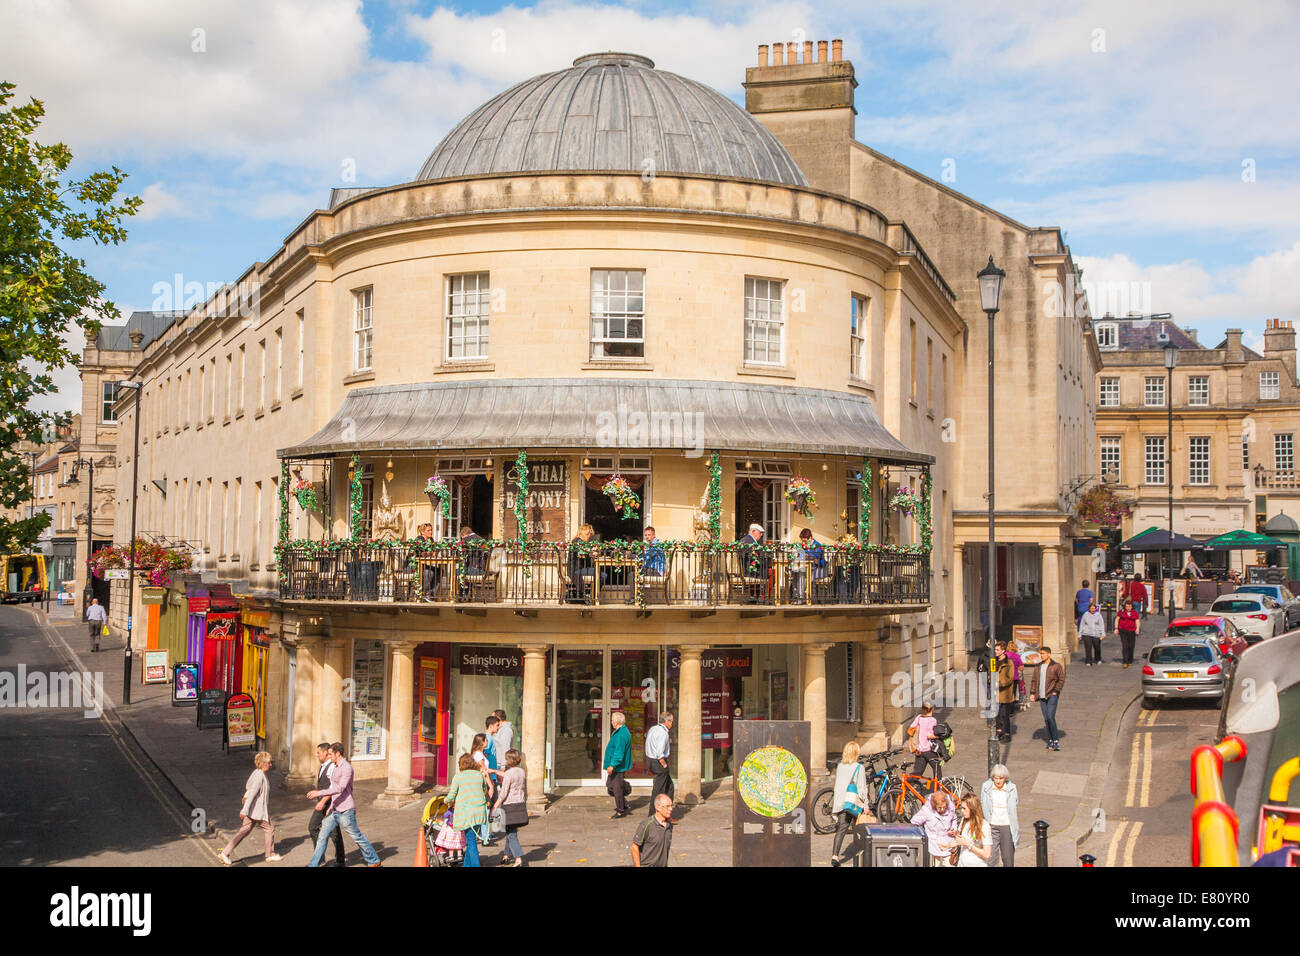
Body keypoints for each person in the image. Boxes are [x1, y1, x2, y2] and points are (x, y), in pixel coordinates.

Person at [307, 742, 381, 867]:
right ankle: (313, 865)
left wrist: (318, 793)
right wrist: (330, 806)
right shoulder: (335, 767)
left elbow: (340, 788)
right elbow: (333, 788)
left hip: (346, 811)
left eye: (331, 754)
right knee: (322, 836)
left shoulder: (347, 768)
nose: (329, 756)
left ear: (338, 753)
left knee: (357, 837)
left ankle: (374, 861)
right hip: (335, 810)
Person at [219, 751, 281, 865]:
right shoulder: (259, 776)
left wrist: (245, 799)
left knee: (244, 831)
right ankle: (270, 854)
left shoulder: (256, 772)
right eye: (269, 762)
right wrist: (244, 810)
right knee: (269, 829)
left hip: (252, 811)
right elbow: (252, 792)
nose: (270, 765)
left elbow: (248, 785)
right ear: (262, 764)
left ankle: (225, 853)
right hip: (257, 811)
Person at [829, 740, 875, 865]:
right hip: (854, 803)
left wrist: (837, 806)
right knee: (859, 829)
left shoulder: (840, 766)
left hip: (843, 803)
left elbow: (837, 786)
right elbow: (862, 788)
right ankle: (861, 856)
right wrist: (866, 805)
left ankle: (835, 856)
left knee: (841, 830)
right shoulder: (859, 767)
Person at [446, 753, 489, 868]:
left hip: (467, 813)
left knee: (471, 842)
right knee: (471, 840)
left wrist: (446, 801)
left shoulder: (458, 777)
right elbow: (484, 789)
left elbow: (452, 794)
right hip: (479, 812)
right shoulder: (479, 775)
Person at [307, 742, 345, 866]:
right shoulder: (324, 765)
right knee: (313, 827)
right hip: (322, 804)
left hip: (329, 805)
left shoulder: (332, 767)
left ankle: (340, 860)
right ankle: (319, 857)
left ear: (326, 753)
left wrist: (323, 801)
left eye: (319, 752)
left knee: (335, 834)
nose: (317, 755)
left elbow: (333, 787)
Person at [493, 748, 528, 867]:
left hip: (509, 806)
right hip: (520, 804)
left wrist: (495, 805)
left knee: (511, 834)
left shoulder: (508, 773)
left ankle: (518, 858)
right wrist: (495, 771)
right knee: (511, 831)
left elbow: (503, 793)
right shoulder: (522, 771)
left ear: (509, 760)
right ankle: (506, 855)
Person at [980, 765, 1020, 867]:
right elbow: (982, 803)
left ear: (1005, 778)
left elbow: (1015, 803)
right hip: (991, 825)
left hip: (1006, 825)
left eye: (1001, 778)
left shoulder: (1011, 788)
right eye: (996, 778)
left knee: (1007, 857)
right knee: (991, 857)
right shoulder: (986, 787)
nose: (998, 781)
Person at [1030, 646, 1065, 751]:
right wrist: (1032, 693)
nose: (1041, 655)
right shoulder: (1038, 666)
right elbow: (1034, 680)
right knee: (1046, 719)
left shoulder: (1056, 666)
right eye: (1040, 654)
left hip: (1052, 695)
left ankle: (1055, 740)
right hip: (1041, 696)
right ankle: (1050, 740)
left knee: (1050, 717)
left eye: (1043, 654)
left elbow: (1061, 679)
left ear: (1049, 654)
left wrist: (1056, 691)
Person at [945, 793, 994, 867]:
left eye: (964, 808)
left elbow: (987, 854)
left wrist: (968, 844)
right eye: (961, 808)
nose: (962, 811)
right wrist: (954, 835)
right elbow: (959, 840)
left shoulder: (984, 826)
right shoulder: (964, 820)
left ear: (972, 808)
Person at [911, 790, 957, 867]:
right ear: (934, 805)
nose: (942, 809)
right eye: (939, 808)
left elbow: (954, 818)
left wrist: (953, 828)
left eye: (944, 807)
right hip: (933, 846)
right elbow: (914, 822)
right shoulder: (927, 811)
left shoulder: (950, 808)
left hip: (948, 844)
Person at [603, 711, 633, 818]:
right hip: (617, 766)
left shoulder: (621, 734)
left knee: (616, 788)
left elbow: (619, 752)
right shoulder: (621, 731)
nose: (611, 722)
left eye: (612, 720)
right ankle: (624, 803)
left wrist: (612, 765)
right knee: (610, 785)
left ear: (616, 722)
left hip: (618, 767)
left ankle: (621, 809)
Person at [470, 730, 498, 844]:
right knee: (486, 808)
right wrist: (491, 785)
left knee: (485, 808)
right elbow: (483, 771)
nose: (488, 741)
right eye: (486, 740)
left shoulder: (480, 753)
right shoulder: (478, 754)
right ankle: (485, 837)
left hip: (483, 782)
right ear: (481, 742)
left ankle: (483, 833)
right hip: (484, 783)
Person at [631, 793, 674, 867]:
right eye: (667, 806)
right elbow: (634, 847)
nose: (671, 809)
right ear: (658, 807)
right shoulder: (646, 825)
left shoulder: (669, 825)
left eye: (671, 806)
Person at [645, 711, 675, 815]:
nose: (671, 724)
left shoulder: (653, 729)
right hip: (659, 763)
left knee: (669, 787)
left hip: (650, 760)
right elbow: (659, 753)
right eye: (671, 721)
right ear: (666, 721)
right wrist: (664, 764)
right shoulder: (663, 733)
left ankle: (666, 812)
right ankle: (653, 815)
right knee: (658, 790)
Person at [790, 528, 826, 603]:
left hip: (817, 568)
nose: (804, 542)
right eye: (802, 541)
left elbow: (815, 558)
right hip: (805, 566)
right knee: (795, 571)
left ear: (810, 538)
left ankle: (800, 597)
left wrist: (805, 554)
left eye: (805, 541)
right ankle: (796, 596)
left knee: (801, 573)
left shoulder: (817, 545)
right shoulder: (803, 546)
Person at [907, 702, 942, 779]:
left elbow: (911, 728)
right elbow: (930, 735)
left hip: (919, 750)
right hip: (929, 750)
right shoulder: (932, 720)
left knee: (917, 772)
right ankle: (938, 787)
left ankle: (908, 786)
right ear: (932, 709)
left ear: (923, 709)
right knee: (937, 769)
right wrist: (939, 736)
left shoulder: (919, 717)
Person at [993, 642, 1016, 742]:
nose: (995, 652)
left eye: (997, 650)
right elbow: (990, 672)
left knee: (1004, 714)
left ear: (1003, 651)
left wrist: (1001, 683)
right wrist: (990, 679)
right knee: (997, 713)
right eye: (995, 650)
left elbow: (1010, 677)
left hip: (1005, 692)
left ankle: (1006, 733)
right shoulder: (993, 661)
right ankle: (999, 731)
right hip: (996, 692)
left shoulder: (1009, 662)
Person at [568, 523, 596, 602]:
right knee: (598, 573)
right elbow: (582, 554)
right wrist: (591, 553)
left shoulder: (580, 542)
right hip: (575, 570)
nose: (590, 536)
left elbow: (584, 556)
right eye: (589, 534)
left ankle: (591, 594)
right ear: (584, 533)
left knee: (603, 575)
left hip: (580, 569)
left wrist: (590, 554)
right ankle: (588, 595)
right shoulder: (577, 542)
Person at [1078, 601, 1106, 666]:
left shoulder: (1098, 615)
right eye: (1091, 608)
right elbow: (1082, 624)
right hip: (1087, 633)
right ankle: (1088, 661)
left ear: (1096, 609)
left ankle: (1098, 659)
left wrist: (1103, 634)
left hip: (1096, 633)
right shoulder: (1085, 614)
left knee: (1097, 647)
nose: (1093, 610)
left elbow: (1101, 624)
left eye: (1094, 608)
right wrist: (1080, 634)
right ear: (1089, 609)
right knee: (1088, 647)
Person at [1116, 598, 1141, 668]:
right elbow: (1117, 619)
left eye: (1129, 606)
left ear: (1132, 606)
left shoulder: (1134, 613)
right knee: (1125, 646)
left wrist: (1137, 628)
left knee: (1131, 646)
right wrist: (1116, 628)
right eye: (1127, 606)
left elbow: (1137, 621)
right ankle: (1125, 661)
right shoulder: (1121, 612)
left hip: (1131, 630)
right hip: (1123, 630)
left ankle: (1130, 660)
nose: (1128, 608)